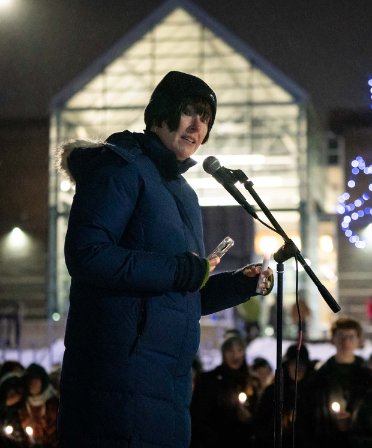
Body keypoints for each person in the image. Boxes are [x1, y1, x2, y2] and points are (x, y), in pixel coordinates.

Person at [56, 71, 273, 447]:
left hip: (167, 388)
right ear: (159, 114)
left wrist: (238, 285)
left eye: (206, 119)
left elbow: (179, 297)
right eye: (189, 111)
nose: (197, 126)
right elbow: (87, 255)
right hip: (117, 384)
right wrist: (180, 269)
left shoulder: (182, 193)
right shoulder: (119, 167)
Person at [312, 317, 372, 448]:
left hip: (359, 438)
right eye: (341, 336)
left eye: (351, 337)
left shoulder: (367, 375)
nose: (346, 342)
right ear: (333, 339)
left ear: (358, 341)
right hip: (328, 438)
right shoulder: (322, 374)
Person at [190, 334, 259, 447]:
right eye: (230, 351)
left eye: (239, 350)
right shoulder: (209, 380)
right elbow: (199, 415)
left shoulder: (250, 382)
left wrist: (249, 419)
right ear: (223, 354)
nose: (235, 356)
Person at [254, 344, 316, 448]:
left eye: (302, 364)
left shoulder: (313, 393)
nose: (298, 368)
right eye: (294, 363)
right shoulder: (273, 392)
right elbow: (261, 423)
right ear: (287, 366)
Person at [19, 364, 59, 447]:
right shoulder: (24, 404)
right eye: (29, 381)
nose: (32, 384)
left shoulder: (54, 402)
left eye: (35, 380)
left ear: (42, 381)